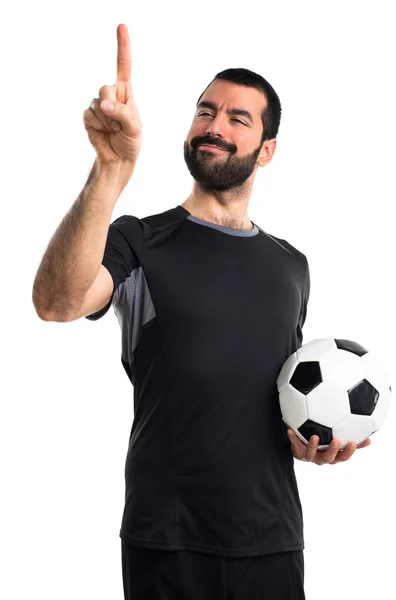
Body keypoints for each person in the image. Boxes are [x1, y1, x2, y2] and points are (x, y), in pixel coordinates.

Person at [32, 23, 371, 600]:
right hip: (168, 540)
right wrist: (110, 171)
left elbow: (284, 394)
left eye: (238, 119)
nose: (214, 127)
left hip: (273, 538)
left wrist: (309, 438)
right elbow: (57, 303)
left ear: (266, 150)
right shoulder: (139, 240)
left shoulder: (291, 265)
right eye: (205, 111)